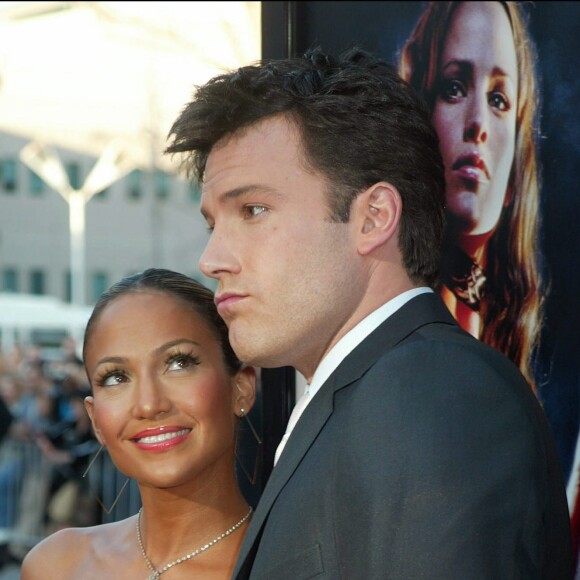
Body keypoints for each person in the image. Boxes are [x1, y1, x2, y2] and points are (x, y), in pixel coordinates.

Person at [165, 46, 572, 578]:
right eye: (213, 223)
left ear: (373, 217)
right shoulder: (381, 392)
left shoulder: (430, 394)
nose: (212, 259)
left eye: (253, 210)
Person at [21, 268, 256, 579]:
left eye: (178, 362)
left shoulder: (297, 564)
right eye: (116, 378)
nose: (148, 404)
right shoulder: (55, 566)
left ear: (241, 388)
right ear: (95, 420)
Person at [399, 1, 542, 393]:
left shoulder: (504, 331)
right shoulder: (387, 324)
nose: (478, 122)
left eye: (498, 100)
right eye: (454, 88)